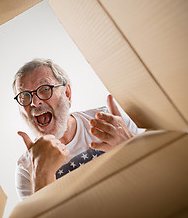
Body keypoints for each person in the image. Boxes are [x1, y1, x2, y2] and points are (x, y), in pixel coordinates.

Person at [13, 59, 144, 200]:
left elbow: (159, 174)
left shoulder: (110, 122)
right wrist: (41, 176)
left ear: (67, 94)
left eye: (45, 89)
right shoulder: (26, 170)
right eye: (24, 96)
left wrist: (131, 148)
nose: (34, 102)